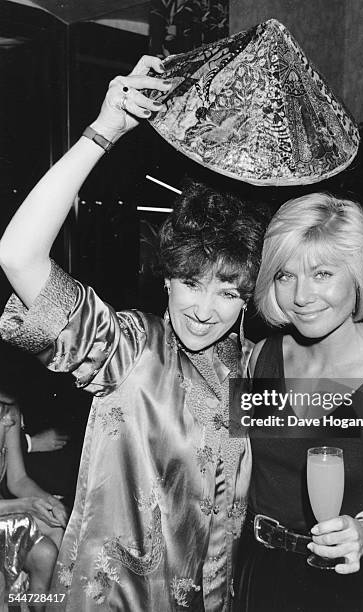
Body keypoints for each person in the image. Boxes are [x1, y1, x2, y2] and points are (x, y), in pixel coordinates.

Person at [0, 55, 268, 611]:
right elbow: (18, 255)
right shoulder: (129, 348)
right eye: (192, 282)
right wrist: (105, 132)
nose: (205, 308)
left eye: (228, 291)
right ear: (167, 277)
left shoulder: (255, 369)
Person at [234, 193, 363, 612]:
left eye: (322, 273)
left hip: (340, 586)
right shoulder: (261, 357)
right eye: (285, 276)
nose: (301, 296)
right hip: (252, 573)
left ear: (359, 274)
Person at [0, 372, 67, 605]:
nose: (9, 419)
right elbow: (22, 500)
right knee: (46, 552)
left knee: (57, 528)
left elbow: (17, 480)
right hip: (5, 511)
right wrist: (27, 505)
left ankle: (46, 605)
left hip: (4, 510)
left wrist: (49, 502)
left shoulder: (10, 414)